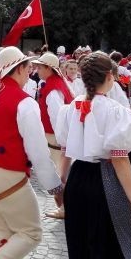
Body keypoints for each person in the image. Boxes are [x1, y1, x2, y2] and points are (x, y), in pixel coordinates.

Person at [55, 52, 131, 258]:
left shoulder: (71, 107)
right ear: (109, 75)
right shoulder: (116, 111)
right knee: (107, 244)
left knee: (80, 242)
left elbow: (65, 152)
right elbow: (119, 159)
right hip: (106, 180)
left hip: (77, 178)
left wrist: (61, 184)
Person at [0, 47, 64, 258]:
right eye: (28, 67)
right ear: (20, 69)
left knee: (3, 234)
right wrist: (55, 187)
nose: (30, 72)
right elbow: (38, 153)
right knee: (31, 233)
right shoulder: (24, 102)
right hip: (6, 173)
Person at [32, 52, 74, 219]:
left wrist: (62, 141)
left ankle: (65, 208)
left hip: (55, 138)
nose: (37, 69)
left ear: (49, 68)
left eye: (40, 66)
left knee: (60, 174)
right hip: (56, 136)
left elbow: (58, 117)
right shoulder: (55, 83)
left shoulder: (52, 89)